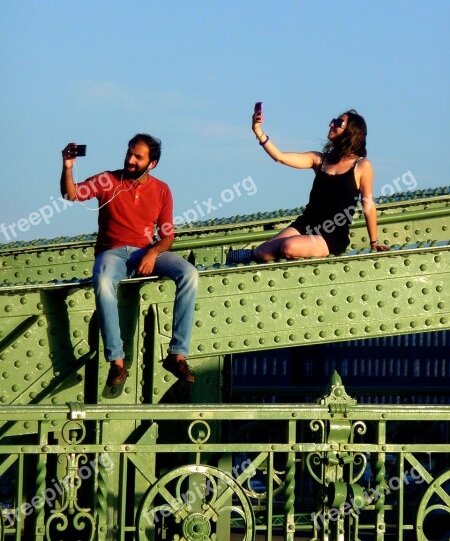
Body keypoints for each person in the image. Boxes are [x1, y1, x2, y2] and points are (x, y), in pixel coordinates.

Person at [61, 134, 199, 386]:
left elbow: (168, 237)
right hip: (112, 253)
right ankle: (117, 362)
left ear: (152, 163)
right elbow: (71, 195)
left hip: (145, 252)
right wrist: (67, 168)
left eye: (138, 157)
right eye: (129, 153)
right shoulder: (108, 180)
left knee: (189, 273)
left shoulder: (162, 190)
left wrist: (152, 252)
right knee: (102, 281)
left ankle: (177, 355)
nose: (130, 160)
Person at [227, 107, 388, 264]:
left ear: (352, 132)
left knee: (288, 247)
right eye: (333, 121)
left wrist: (373, 241)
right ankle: (246, 254)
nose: (331, 124)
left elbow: (368, 203)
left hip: (331, 234)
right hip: (306, 224)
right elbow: (280, 157)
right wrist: (257, 131)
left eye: (338, 123)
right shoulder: (319, 160)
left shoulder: (362, 166)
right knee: (263, 253)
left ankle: (252, 254)